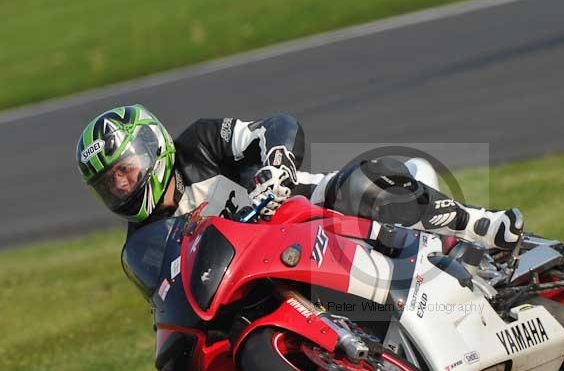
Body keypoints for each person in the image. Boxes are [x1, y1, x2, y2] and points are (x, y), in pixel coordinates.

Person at [76, 104, 523, 248]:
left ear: (152, 149)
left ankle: (480, 225)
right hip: (265, 268)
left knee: (358, 185)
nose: (120, 186)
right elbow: (167, 305)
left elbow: (277, 127)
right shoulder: (144, 242)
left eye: (124, 171)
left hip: (305, 209)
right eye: (107, 184)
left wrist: (277, 166)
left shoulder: (201, 143)